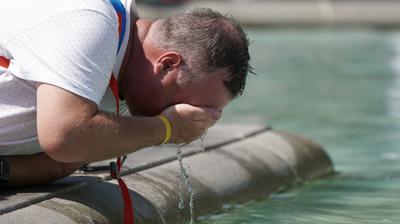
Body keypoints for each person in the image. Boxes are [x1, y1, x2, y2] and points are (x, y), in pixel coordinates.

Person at [0, 0, 251, 187]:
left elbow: (63, 160)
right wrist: (166, 128)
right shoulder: (92, 23)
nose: (189, 117)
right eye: (188, 106)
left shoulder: (118, 54)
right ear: (166, 64)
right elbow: (64, 136)